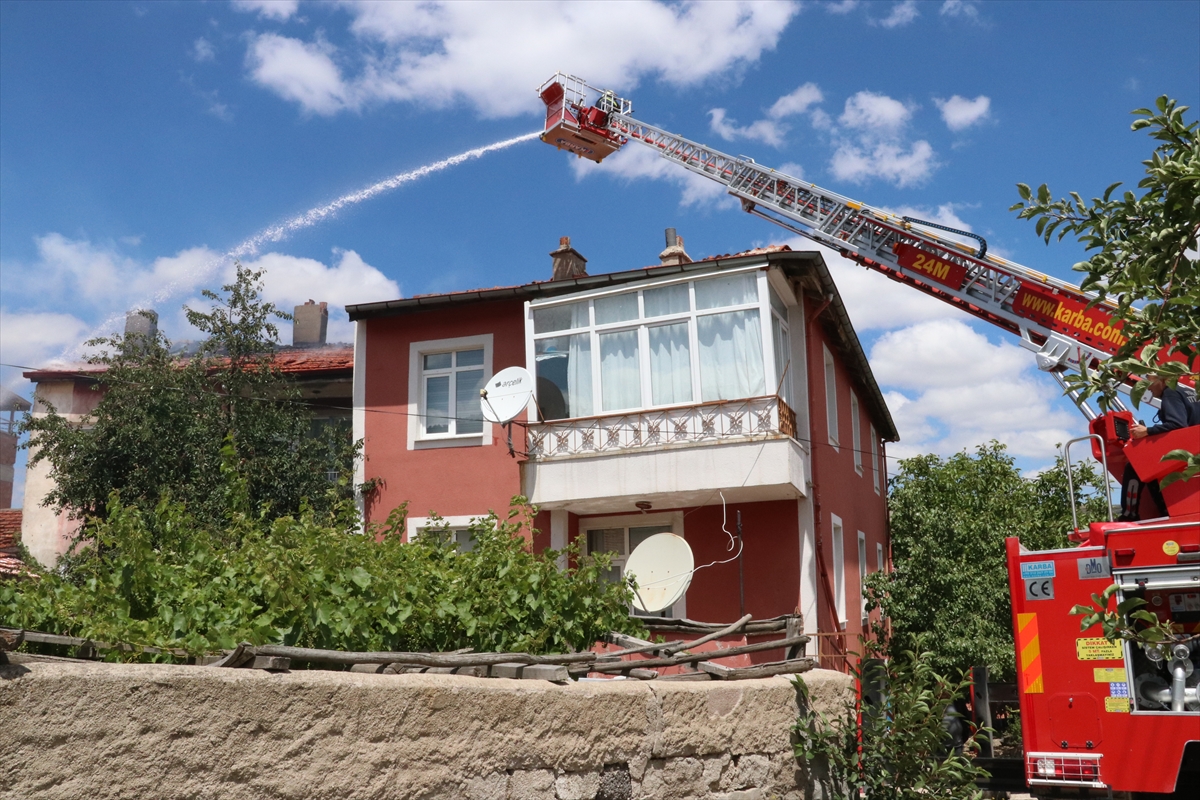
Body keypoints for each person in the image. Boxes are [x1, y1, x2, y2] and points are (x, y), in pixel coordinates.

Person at [1119, 375, 1200, 521]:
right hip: (1194, 453)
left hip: (1185, 455)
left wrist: (1147, 431)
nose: (1148, 387)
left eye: (1149, 381)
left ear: (1163, 380)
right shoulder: (1190, 392)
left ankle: (1129, 515)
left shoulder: (1170, 393)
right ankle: (1164, 510)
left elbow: (1177, 425)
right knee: (1152, 468)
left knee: (1137, 467)